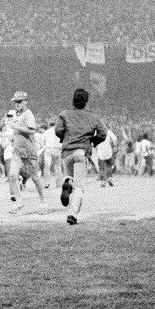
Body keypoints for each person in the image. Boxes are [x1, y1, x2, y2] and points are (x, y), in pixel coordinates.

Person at [54, 88, 107, 225]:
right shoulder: (93, 117)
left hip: (67, 152)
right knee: (79, 186)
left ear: (73, 100)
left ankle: (67, 181)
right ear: (86, 102)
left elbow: (58, 130)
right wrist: (93, 142)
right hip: (81, 151)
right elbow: (103, 133)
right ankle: (72, 213)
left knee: (69, 175)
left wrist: (65, 138)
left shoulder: (64, 114)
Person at [6, 91, 48, 214]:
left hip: (29, 150)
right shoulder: (15, 115)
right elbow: (16, 130)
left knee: (34, 177)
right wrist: (13, 137)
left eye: (20, 101)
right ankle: (19, 202)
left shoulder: (28, 114)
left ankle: (43, 202)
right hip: (17, 150)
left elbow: (32, 131)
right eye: (16, 102)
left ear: (26, 102)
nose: (17, 104)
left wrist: (16, 127)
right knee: (12, 175)